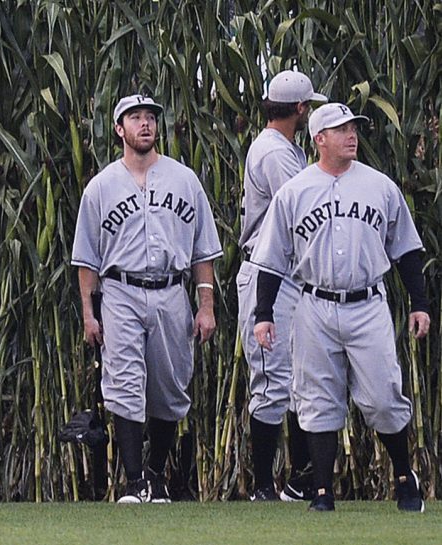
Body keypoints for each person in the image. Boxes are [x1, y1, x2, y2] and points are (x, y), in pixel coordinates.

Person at [252, 102, 430, 512]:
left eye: (354, 127)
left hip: (367, 303)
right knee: (316, 401)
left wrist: (419, 303)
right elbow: (272, 258)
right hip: (313, 303)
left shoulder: (379, 186)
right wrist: (263, 314)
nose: (351, 135)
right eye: (341, 129)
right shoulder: (295, 191)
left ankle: (405, 476)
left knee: (384, 397)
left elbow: (406, 250)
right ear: (319, 139)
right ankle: (322, 493)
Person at [71, 94, 223, 503]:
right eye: (135, 118)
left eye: (150, 118)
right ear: (119, 129)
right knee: (123, 383)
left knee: (170, 388)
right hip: (120, 290)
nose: (145, 124)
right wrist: (89, 313)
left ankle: (156, 475)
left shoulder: (184, 179)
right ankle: (135, 482)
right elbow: (87, 258)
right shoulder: (101, 186)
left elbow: (202, 251)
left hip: (172, 290)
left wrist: (206, 305)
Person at [237, 70, 327, 501]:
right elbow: (301, 211)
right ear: (300, 110)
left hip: (286, 274)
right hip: (269, 272)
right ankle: (262, 487)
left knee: (296, 379)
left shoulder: (281, 147)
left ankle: (299, 480)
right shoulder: (274, 151)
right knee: (272, 379)